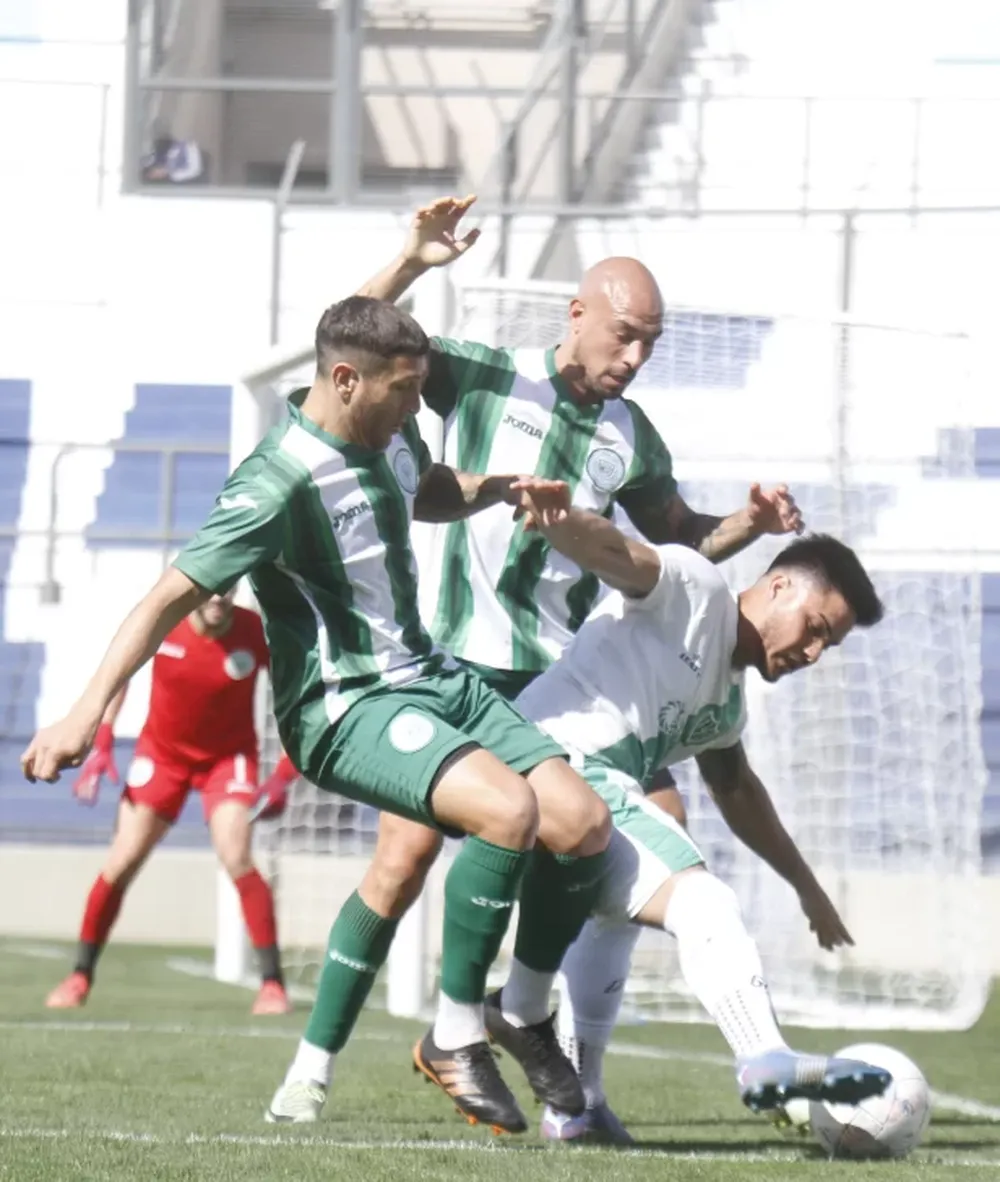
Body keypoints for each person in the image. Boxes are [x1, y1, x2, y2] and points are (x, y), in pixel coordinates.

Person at [22, 296, 613, 1137]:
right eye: (406, 391)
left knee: (584, 823)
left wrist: (496, 489)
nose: (419, 406)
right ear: (345, 380)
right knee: (507, 813)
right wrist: (84, 712)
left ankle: (517, 1009)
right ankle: (452, 1034)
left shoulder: (389, 428)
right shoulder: (276, 483)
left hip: (434, 676)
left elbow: (430, 487)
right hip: (346, 703)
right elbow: (166, 596)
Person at [266, 196, 804, 1122]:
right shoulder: (482, 374)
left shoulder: (634, 438)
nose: (633, 359)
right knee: (403, 859)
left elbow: (674, 547)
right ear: (578, 315)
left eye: (651, 344)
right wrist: (410, 261)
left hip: (563, 683)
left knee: (627, 839)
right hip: (450, 670)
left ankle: (570, 1089)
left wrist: (746, 525)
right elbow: (344, 354)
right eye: (624, 336)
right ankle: (311, 1070)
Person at [504, 506, 889, 1142]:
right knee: (702, 899)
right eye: (817, 628)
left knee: (616, 911)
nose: (815, 652)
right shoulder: (697, 589)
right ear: (779, 587)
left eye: (830, 644)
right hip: (560, 764)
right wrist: (556, 519)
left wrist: (806, 887)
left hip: (559, 782)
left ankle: (575, 1106)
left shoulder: (726, 700)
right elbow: (616, 554)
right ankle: (765, 1058)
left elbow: (737, 790)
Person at [44, 590, 297, 1016]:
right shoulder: (165, 618)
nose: (219, 596)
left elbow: (293, 698)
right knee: (122, 860)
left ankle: (272, 985)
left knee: (237, 856)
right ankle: (79, 975)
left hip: (228, 759)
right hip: (162, 756)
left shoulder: (255, 630)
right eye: (212, 586)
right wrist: (103, 742)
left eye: (229, 586)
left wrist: (284, 775)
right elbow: (120, 674)